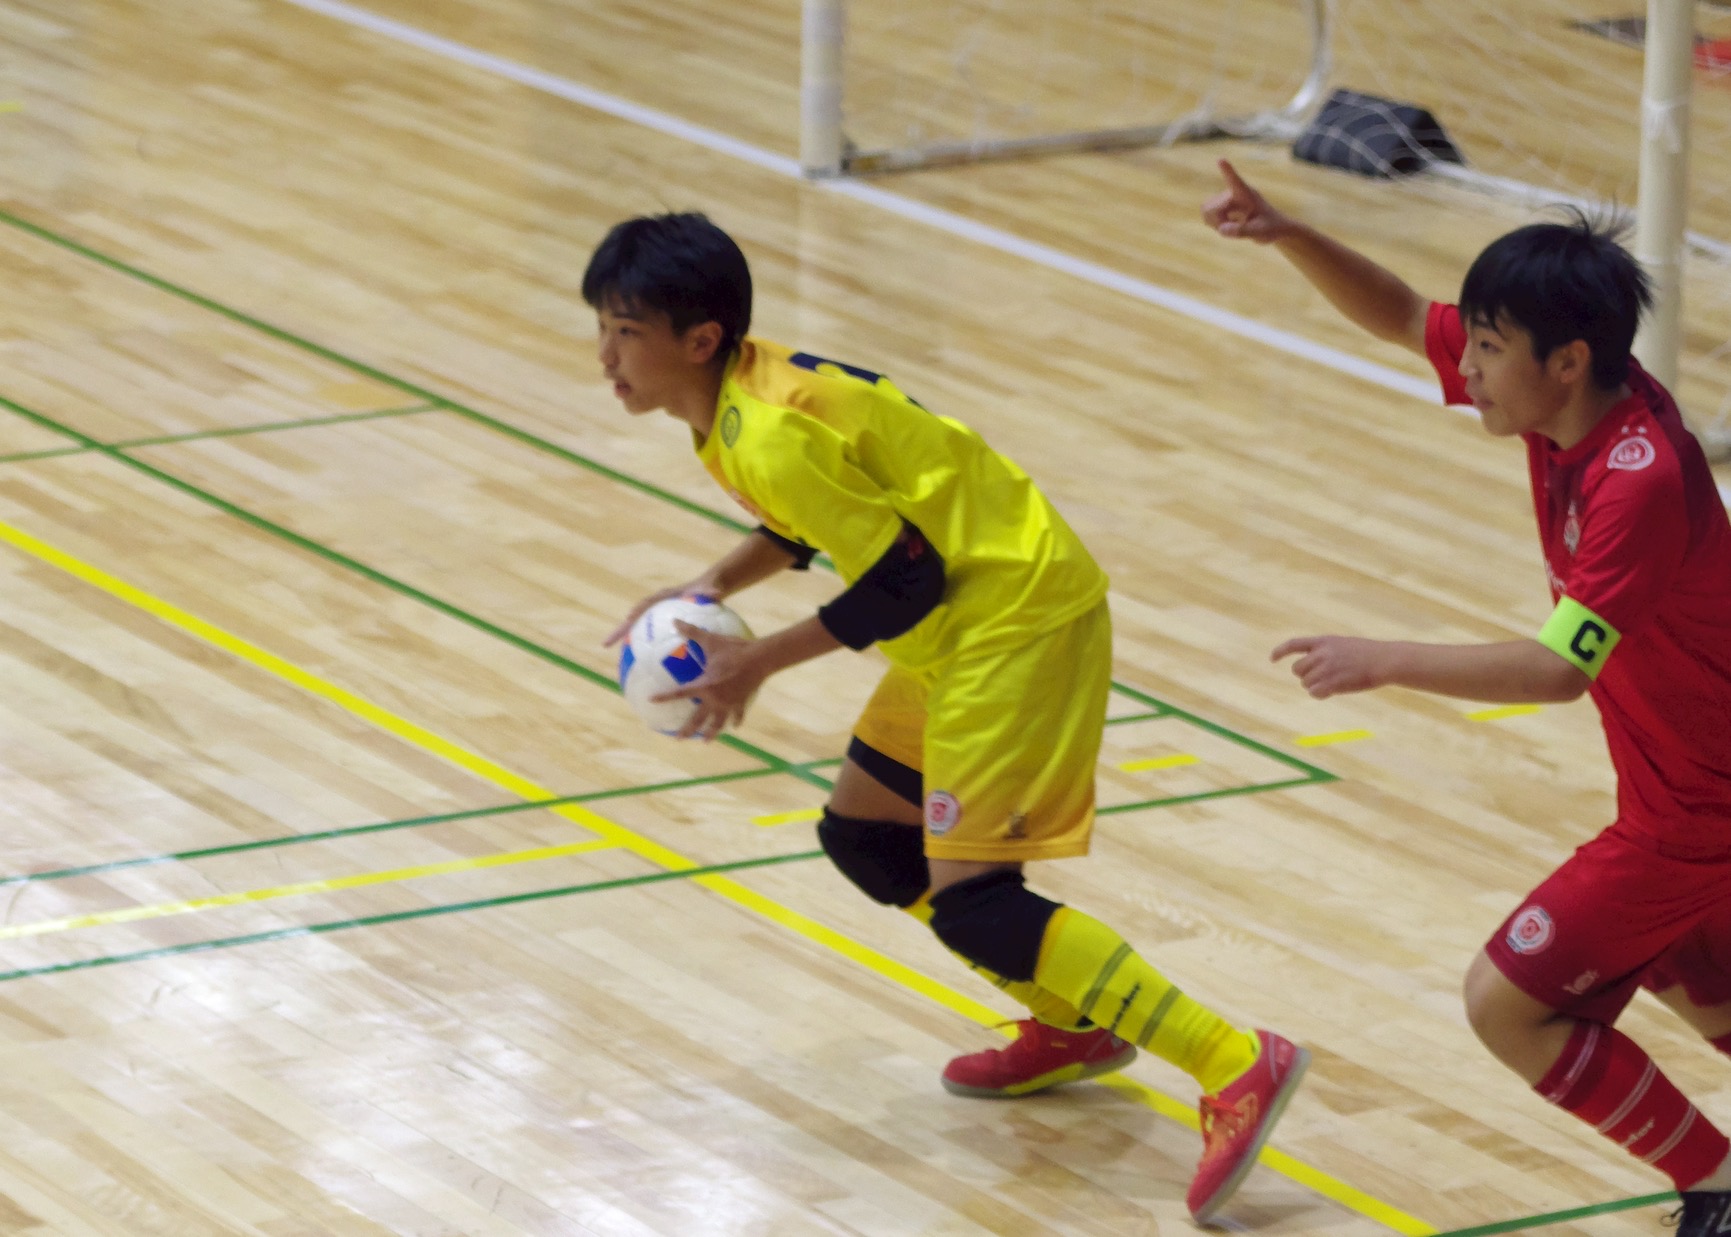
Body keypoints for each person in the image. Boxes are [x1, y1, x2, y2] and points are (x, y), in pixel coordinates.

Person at [586, 210, 1307, 1222]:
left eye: (624, 333)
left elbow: (901, 581)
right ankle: (1074, 1023)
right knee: (867, 836)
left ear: (699, 340)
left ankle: (1230, 1059)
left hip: (1011, 622)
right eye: (603, 327)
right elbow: (814, 522)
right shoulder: (740, 399)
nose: (605, 356)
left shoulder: (769, 432)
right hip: (964, 621)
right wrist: (705, 585)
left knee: (976, 902)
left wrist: (758, 663)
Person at [1203, 159, 1731, 1233]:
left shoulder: (1638, 482)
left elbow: (1556, 671)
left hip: (1697, 808)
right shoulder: (1569, 399)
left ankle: (1716, 1184)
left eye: (1489, 350)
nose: (1470, 368)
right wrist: (1289, 232)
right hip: (1676, 784)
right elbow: (1404, 313)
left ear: (1565, 362)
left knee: (1507, 1003)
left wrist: (1382, 658)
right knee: (1691, 971)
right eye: (1475, 344)